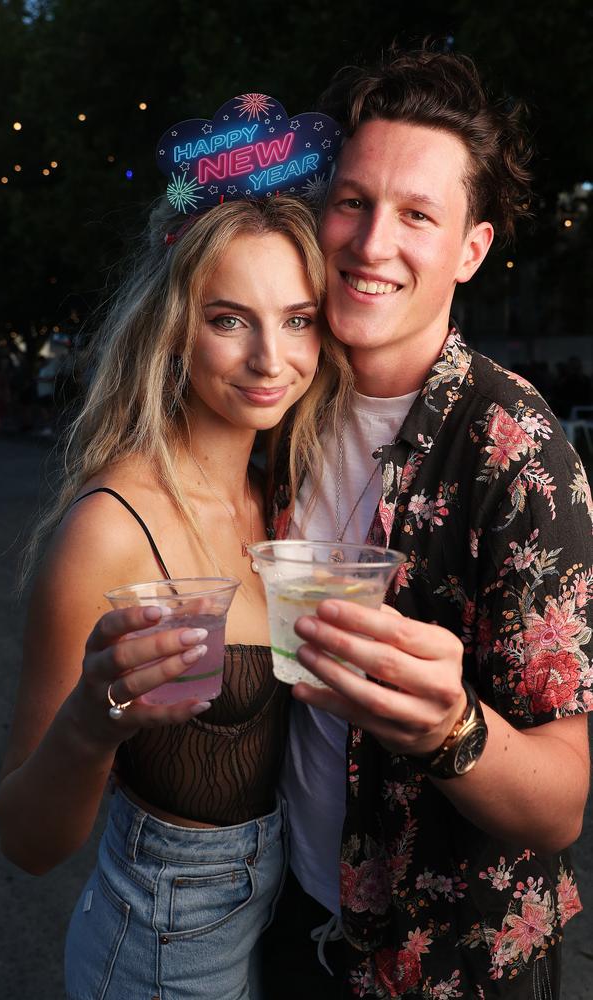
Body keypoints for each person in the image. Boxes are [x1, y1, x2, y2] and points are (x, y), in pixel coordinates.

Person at [264, 48, 592, 999]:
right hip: (294, 921)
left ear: (471, 250)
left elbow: (562, 803)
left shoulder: (518, 451)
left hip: (453, 967)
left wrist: (448, 726)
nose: (371, 245)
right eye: (353, 202)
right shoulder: (276, 408)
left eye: (417, 215)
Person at [0, 194, 351, 1000]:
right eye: (229, 319)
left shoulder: (287, 501)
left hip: (287, 919)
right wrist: (91, 724)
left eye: (297, 318)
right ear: (172, 331)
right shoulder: (110, 528)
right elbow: (25, 841)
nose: (271, 357)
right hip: (164, 945)